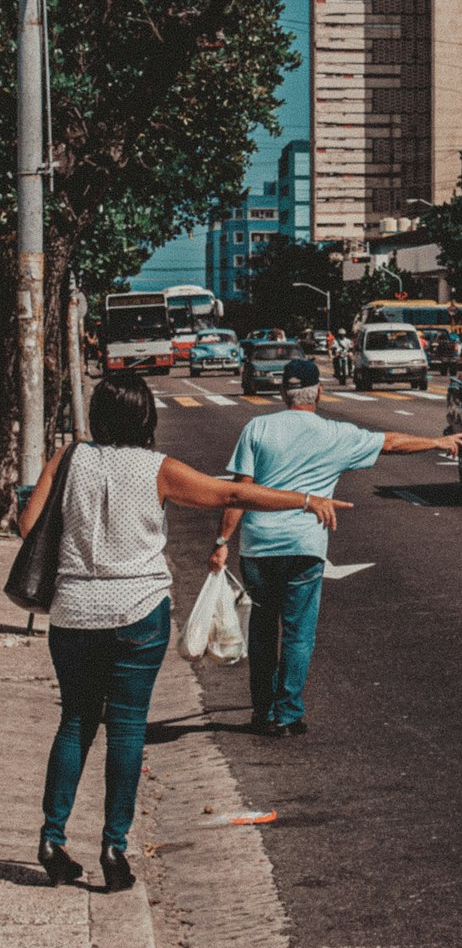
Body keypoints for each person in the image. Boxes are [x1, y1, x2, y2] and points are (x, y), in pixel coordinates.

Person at [19, 371, 346, 894]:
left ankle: (52, 838)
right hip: (137, 612)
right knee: (125, 730)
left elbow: (26, 525)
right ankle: (113, 847)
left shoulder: (68, 459)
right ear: (146, 417)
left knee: (75, 721)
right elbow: (228, 494)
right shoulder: (160, 470)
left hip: (74, 611)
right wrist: (304, 501)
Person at [209, 358, 462, 738]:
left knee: (263, 630)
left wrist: (221, 543)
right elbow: (391, 443)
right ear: (318, 392)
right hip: (305, 546)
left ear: (283, 392)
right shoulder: (334, 434)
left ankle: (262, 711)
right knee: (298, 633)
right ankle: (287, 713)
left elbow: (239, 492)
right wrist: (437, 441)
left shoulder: (257, 427)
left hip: (258, 546)